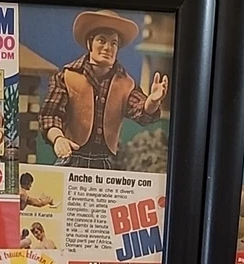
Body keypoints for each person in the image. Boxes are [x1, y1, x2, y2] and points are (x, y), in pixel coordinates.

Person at [39, 8, 168, 169]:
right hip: (72, 158)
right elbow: (50, 115)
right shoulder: (67, 77)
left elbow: (140, 110)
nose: (108, 47)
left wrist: (152, 101)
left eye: (114, 43)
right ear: (90, 44)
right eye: (101, 40)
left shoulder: (125, 83)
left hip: (104, 164)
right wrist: (59, 139)